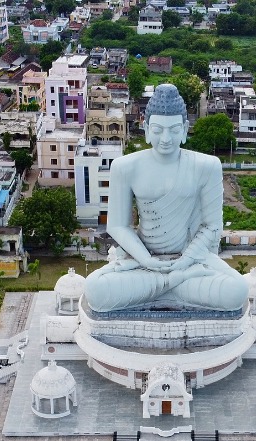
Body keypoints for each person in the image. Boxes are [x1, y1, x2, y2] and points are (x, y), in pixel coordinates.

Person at [84, 84, 247, 313]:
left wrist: (184, 261)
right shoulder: (125, 167)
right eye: (158, 130)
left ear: (185, 129)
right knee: (96, 290)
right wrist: (146, 260)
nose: (166, 138)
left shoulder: (207, 166)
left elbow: (212, 226)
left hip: (190, 261)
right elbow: (118, 226)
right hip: (144, 262)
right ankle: (173, 285)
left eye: (174, 129)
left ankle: (161, 288)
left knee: (236, 291)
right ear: (146, 128)